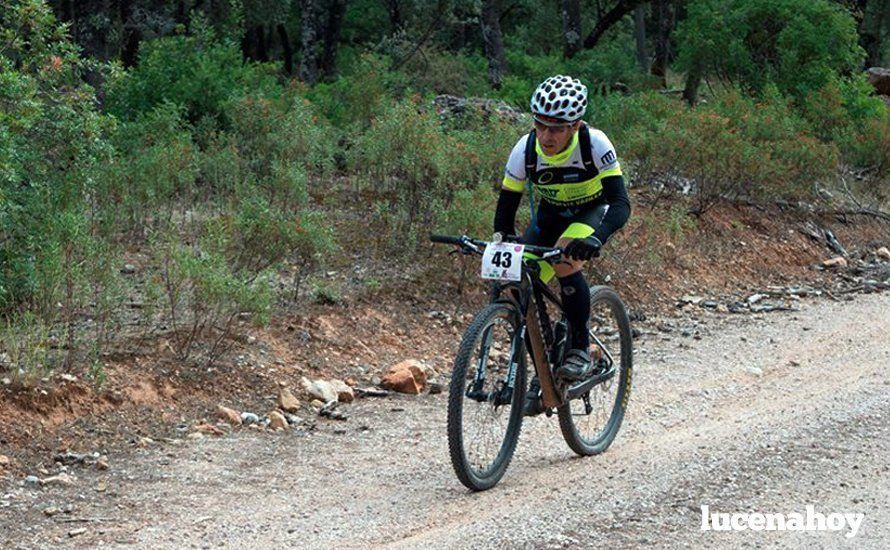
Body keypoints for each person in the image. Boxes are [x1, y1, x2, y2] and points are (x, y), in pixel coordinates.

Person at [492, 75, 631, 415]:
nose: (546, 136)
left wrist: (596, 238)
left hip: (590, 212)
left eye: (556, 128)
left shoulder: (594, 143)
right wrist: (501, 244)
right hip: (550, 216)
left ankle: (580, 347)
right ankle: (543, 369)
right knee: (513, 283)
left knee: (565, 260)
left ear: (575, 126)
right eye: (540, 126)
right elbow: (505, 212)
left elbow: (620, 203)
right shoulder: (524, 150)